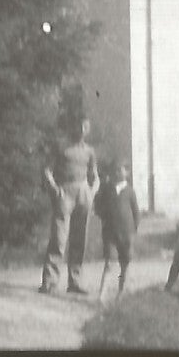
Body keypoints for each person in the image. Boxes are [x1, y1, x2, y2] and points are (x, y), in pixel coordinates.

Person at [40, 117, 99, 295]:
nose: (81, 129)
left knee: (79, 239)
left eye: (85, 126)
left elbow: (95, 176)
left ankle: (75, 281)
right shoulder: (61, 147)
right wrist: (55, 189)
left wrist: (91, 192)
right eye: (79, 125)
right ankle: (50, 281)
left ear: (88, 129)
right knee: (59, 238)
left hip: (83, 194)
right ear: (73, 127)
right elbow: (47, 170)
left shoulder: (89, 151)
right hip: (65, 193)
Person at [93, 160, 141, 303]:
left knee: (125, 264)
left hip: (127, 233)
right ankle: (102, 295)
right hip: (110, 233)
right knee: (109, 263)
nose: (117, 173)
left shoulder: (130, 191)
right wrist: (104, 217)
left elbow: (136, 213)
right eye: (115, 170)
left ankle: (120, 294)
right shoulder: (107, 189)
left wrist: (133, 230)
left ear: (127, 173)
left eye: (120, 170)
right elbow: (98, 205)